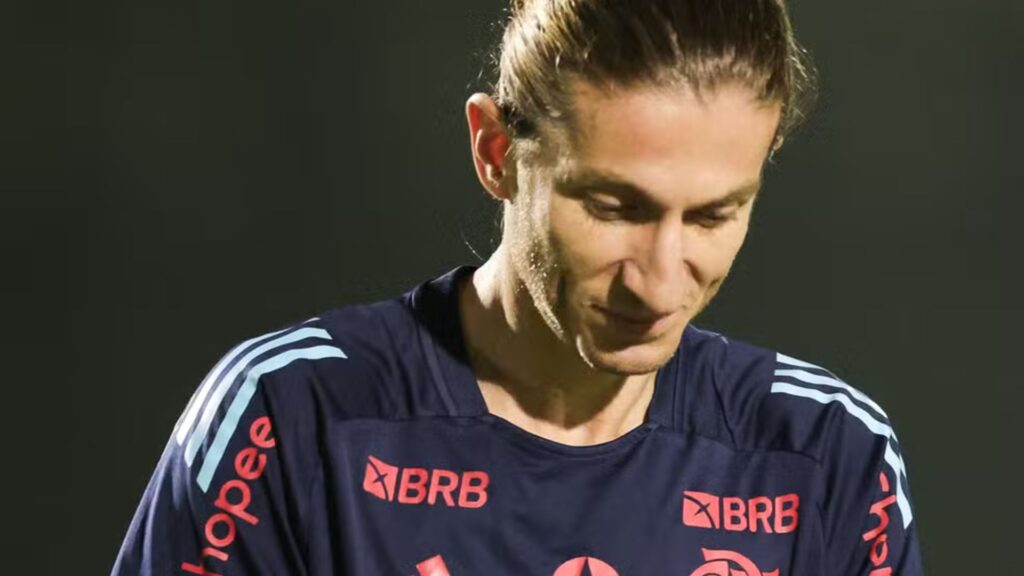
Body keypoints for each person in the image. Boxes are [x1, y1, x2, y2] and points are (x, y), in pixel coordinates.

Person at [113, 0, 923, 574]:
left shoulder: (827, 456)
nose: (659, 280)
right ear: (496, 152)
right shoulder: (291, 421)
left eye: (715, 215)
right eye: (613, 208)